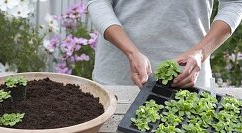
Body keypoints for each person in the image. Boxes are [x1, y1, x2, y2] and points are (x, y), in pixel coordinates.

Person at [87, 0, 242, 88]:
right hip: (119, 79)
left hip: (188, 78)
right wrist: (131, 52)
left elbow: (234, 3)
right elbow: (98, 2)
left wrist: (201, 52)